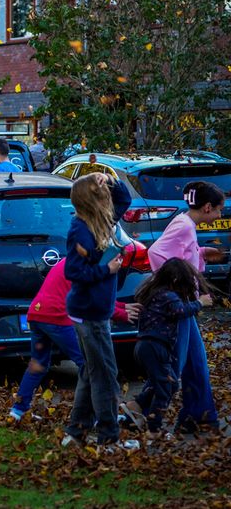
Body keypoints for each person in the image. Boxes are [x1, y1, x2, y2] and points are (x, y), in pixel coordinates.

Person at [62, 171, 138, 451]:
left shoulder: (103, 222)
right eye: (102, 191)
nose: (108, 196)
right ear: (94, 199)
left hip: (97, 311)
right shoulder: (81, 229)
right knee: (106, 374)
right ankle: (109, 439)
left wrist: (108, 178)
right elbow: (73, 271)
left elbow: (124, 199)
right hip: (89, 313)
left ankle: (75, 433)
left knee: (90, 373)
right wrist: (108, 269)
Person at [10, 258, 137, 421]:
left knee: (38, 365)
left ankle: (18, 411)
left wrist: (122, 306)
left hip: (37, 314)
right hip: (58, 316)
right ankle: (100, 416)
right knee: (91, 365)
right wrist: (122, 314)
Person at [145, 180, 225, 432]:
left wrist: (200, 253)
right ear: (208, 207)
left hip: (185, 302)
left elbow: (181, 254)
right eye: (220, 209)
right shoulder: (183, 226)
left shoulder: (186, 225)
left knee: (195, 362)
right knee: (177, 364)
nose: (221, 214)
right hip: (181, 303)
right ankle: (142, 407)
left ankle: (199, 417)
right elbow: (156, 253)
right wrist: (174, 289)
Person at [128, 258, 213, 435]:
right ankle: (154, 428)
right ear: (176, 280)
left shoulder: (156, 293)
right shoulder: (169, 296)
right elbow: (180, 311)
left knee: (167, 383)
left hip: (147, 346)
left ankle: (138, 404)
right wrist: (200, 303)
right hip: (154, 347)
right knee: (166, 386)